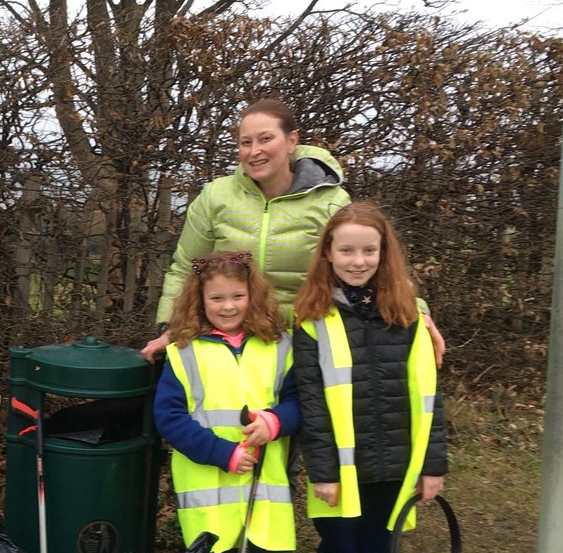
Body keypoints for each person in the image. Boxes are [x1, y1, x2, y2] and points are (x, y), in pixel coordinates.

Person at [140, 98, 445, 364]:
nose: (255, 151)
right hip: (227, 343)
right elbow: (186, 268)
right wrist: (170, 327)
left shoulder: (329, 201)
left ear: (291, 141)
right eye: (246, 142)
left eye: (265, 139)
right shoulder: (216, 196)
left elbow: (365, 264)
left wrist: (417, 312)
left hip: (305, 342)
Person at [292, 201, 448, 553]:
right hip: (340, 471)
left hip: (395, 467)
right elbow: (312, 405)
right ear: (328, 253)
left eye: (368, 251)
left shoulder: (410, 314)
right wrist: (322, 472)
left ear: (384, 253)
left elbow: (431, 398)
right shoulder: (311, 318)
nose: (358, 261)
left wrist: (433, 466)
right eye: (346, 251)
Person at [152, 251, 301, 553]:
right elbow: (169, 418)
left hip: (266, 487)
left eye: (237, 296)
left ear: (253, 295)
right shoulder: (183, 350)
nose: (228, 306)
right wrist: (223, 453)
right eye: (216, 298)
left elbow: (298, 402)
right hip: (209, 492)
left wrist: (274, 422)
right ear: (199, 300)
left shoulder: (279, 344)